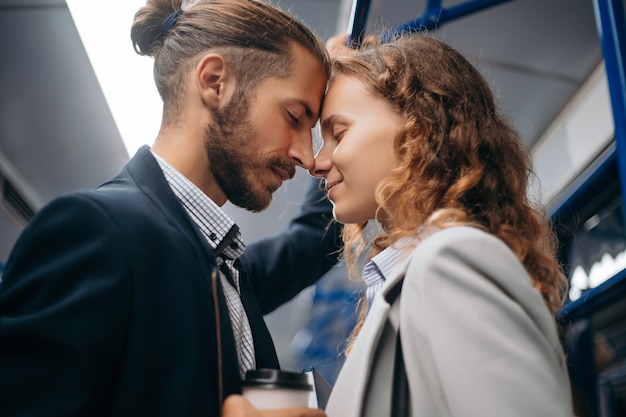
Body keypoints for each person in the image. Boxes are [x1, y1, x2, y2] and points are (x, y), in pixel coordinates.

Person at [0, 0, 340, 416]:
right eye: (294, 116)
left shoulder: (224, 267)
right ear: (215, 81)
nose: (307, 156)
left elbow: (308, 244)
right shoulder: (95, 230)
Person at [308, 34, 575, 416]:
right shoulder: (411, 273)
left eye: (339, 133)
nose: (316, 162)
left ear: (419, 129)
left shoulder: (453, 260)